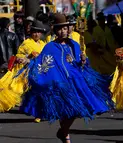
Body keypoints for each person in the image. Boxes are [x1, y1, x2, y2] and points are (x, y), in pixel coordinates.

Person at [16, 13, 113, 143]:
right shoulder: (50, 46)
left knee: (77, 110)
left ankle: (63, 131)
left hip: (76, 82)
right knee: (66, 111)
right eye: (60, 29)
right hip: (60, 83)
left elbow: (80, 64)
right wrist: (27, 61)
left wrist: (84, 61)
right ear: (55, 31)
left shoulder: (74, 45)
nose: (63, 31)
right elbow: (40, 61)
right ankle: (65, 135)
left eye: (65, 28)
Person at [0, 20, 46, 122]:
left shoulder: (43, 43)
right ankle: (38, 114)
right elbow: (19, 55)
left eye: (39, 32)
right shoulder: (26, 43)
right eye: (35, 31)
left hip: (43, 71)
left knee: (41, 93)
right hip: (30, 72)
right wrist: (27, 57)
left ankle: (40, 112)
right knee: (36, 93)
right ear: (31, 32)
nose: (36, 34)